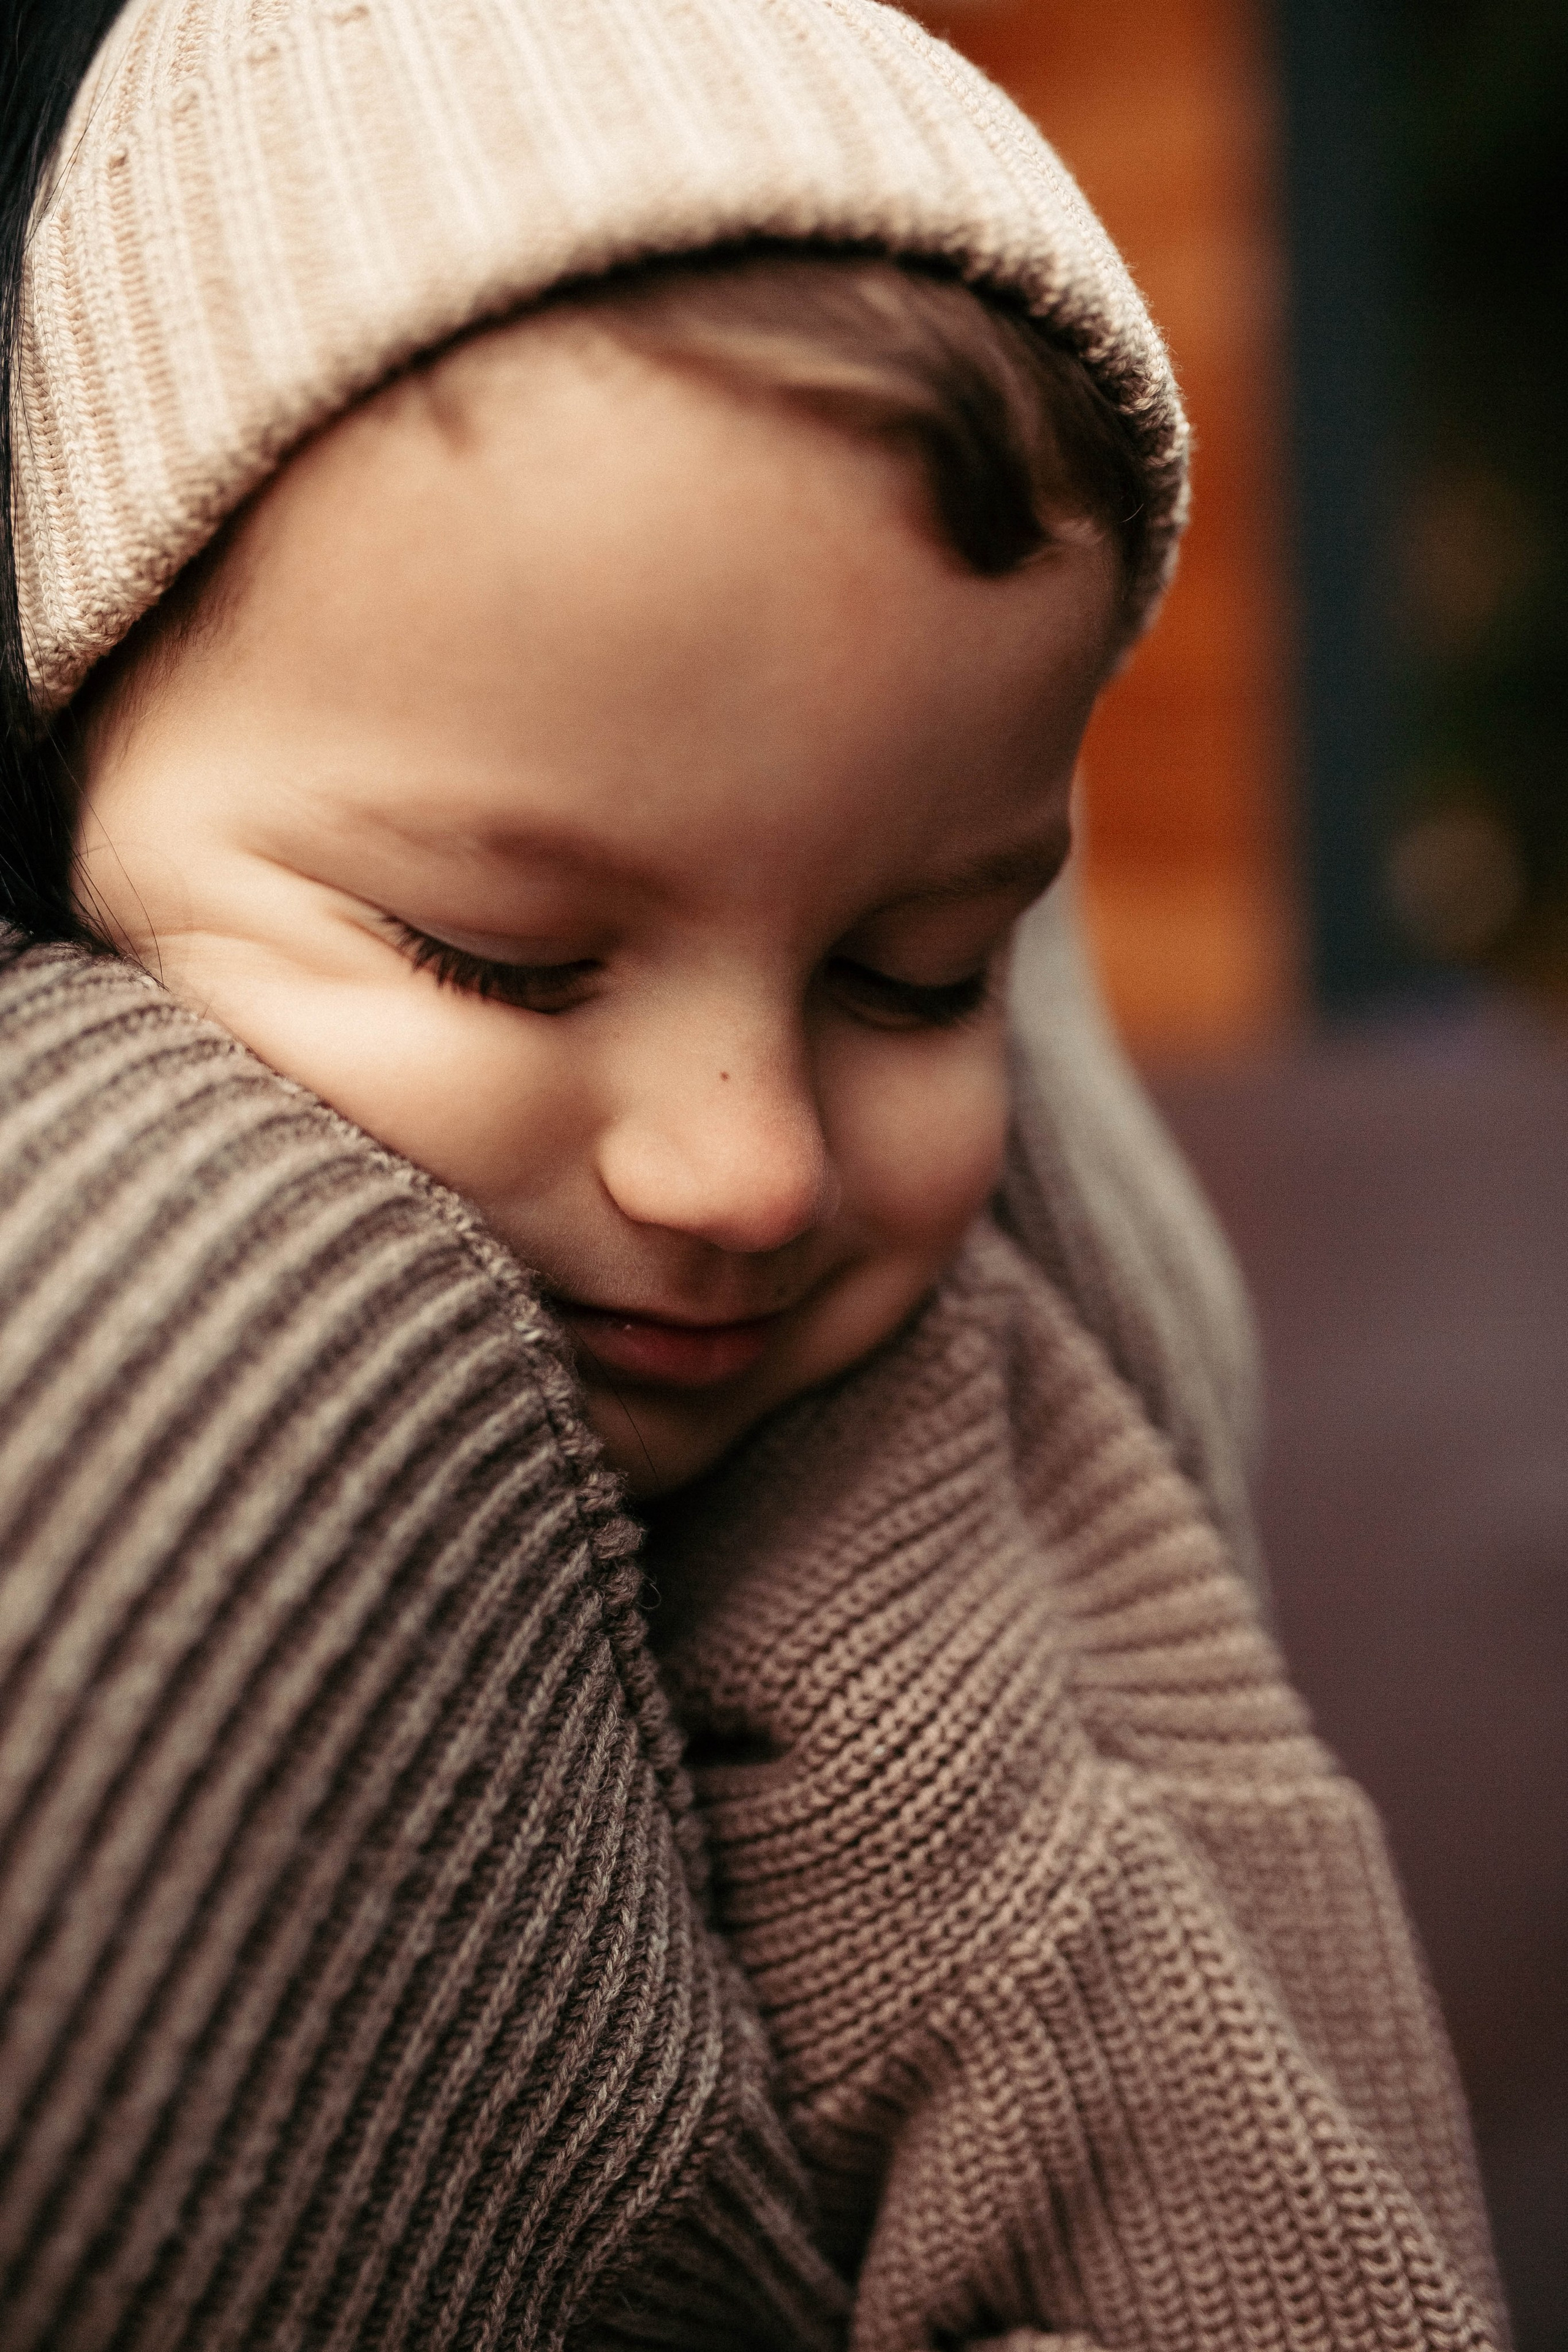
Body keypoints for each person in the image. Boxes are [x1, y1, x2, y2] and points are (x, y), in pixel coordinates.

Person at [0, 1, 1504, 2347]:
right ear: (67, 751)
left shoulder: (939, 1625)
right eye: (501, 954)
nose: (746, 1169)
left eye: (917, 976)